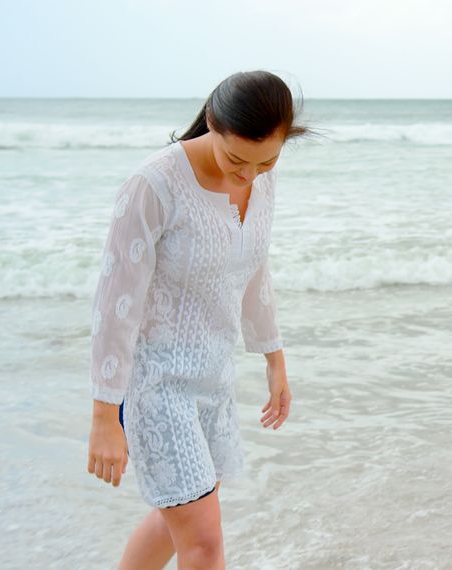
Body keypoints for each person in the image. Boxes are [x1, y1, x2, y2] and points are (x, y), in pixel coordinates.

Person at [86, 70, 315, 569]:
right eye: (236, 159)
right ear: (211, 121)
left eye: (267, 161)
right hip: (157, 385)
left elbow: (252, 267)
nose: (249, 176)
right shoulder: (153, 185)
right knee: (204, 542)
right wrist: (106, 415)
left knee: (178, 522)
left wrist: (275, 360)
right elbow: (114, 303)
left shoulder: (259, 175)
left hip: (214, 380)